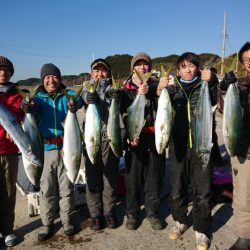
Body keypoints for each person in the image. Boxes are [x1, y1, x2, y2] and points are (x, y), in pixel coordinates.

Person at [157, 52, 218, 250]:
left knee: (203, 191)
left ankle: (201, 230)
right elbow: (159, 101)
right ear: (178, 70)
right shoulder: (173, 89)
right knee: (177, 188)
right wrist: (160, 88)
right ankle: (180, 220)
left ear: (198, 69)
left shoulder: (205, 85)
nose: (188, 70)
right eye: (184, 67)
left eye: (192, 66)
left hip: (203, 144)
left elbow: (218, 92)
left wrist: (213, 79)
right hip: (178, 147)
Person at [22, 63, 83, 241]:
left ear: (60, 78)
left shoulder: (69, 94)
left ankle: (67, 221)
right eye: (47, 77)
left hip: (67, 147)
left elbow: (79, 99)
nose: (51, 80)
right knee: (46, 189)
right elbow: (25, 106)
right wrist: (27, 105)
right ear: (43, 80)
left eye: (55, 76)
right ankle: (47, 223)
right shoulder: (39, 98)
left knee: (67, 187)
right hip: (45, 149)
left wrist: (75, 103)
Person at [120, 52, 165, 231]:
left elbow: (163, 104)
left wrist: (155, 92)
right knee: (132, 179)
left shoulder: (155, 86)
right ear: (133, 68)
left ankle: (152, 213)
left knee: (154, 178)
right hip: (135, 138)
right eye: (138, 65)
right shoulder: (125, 90)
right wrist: (129, 136)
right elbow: (121, 113)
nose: (142, 68)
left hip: (155, 137)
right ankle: (131, 213)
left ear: (150, 68)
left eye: (145, 64)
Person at [81, 58, 121, 230]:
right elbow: (79, 99)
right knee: (92, 179)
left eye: (103, 70)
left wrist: (117, 97)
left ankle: (109, 212)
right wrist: (87, 97)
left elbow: (123, 104)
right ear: (92, 73)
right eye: (96, 70)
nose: (99, 73)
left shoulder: (115, 88)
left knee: (110, 178)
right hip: (91, 139)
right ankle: (95, 215)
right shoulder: (85, 88)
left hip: (109, 138)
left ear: (108, 72)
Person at [219, 42, 250, 250]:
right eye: (246, 59)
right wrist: (224, 88)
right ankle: (245, 237)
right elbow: (224, 110)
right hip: (244, 151)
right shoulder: (239, 85)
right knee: (243, 197)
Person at [0, 56, 24, 247]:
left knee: (8, 192)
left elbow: (17, 115)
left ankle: (7, 230)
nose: (3, 72)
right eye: (0, 69)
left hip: (9, 150)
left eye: (7, 69)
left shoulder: (17, 94)